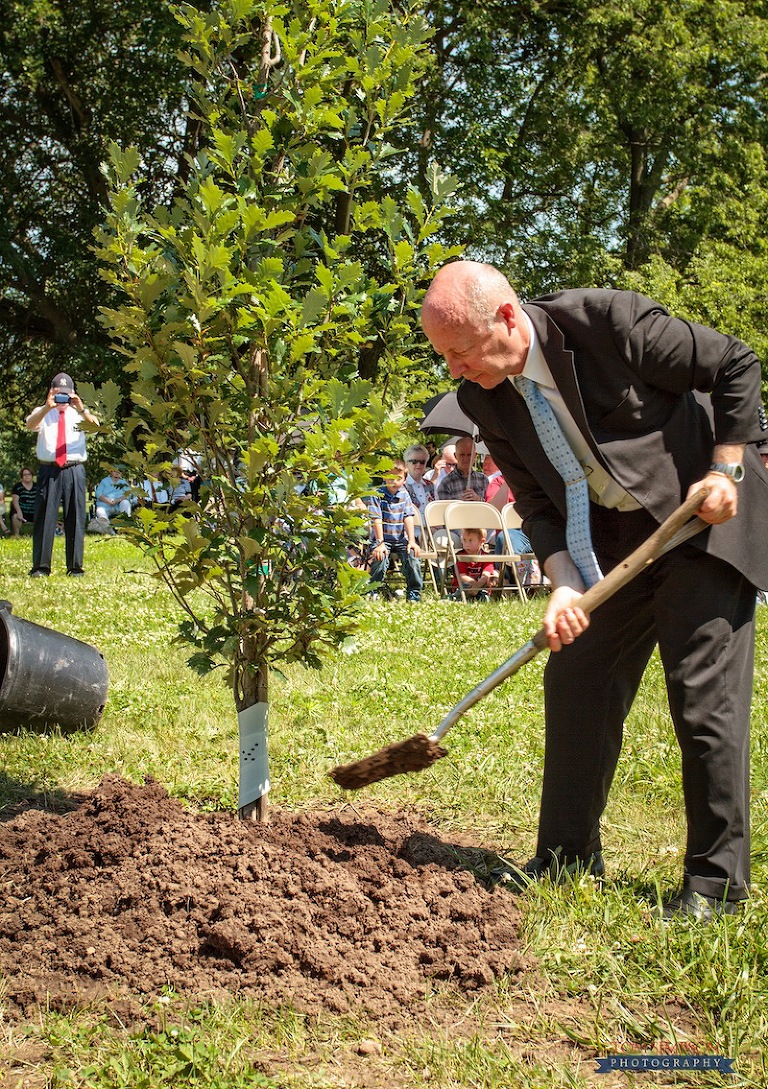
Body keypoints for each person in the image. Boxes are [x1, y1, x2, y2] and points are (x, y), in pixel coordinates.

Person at [421, 259, 768, 922]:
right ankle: (566, 855)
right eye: (445, 356)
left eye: (459, 352)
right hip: (611, 547)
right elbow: (536, 502)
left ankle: (716, 885)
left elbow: (734, 363)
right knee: (576, 675)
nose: (454, 370)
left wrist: (728, 469)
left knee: (702, 695)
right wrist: (561, 585)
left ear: (506, 317)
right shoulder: (482, 399)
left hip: (697, 520)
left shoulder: (606, 322)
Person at [26, 373, 99, 577]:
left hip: (74, 468)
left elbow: (96, 427)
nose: (62, 399)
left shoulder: (79, 413)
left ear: (73, 394)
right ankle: (41, 567)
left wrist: (81, 408)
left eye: (66, 394)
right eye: (59, 394)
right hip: (49, 469)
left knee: (75, 517)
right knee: (45, 517)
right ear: (51, 392)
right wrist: (48, 407)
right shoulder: (42, 412)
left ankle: (75, 568)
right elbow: (30, 424)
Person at [366, 459, 423, 602]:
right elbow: (376, 519)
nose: (394, 481)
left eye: (399, 478)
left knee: (413, 555)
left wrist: (411, 541)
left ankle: (414, 592)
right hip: (382, 538)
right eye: (391, 477)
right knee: (380, 556)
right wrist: (380, 543)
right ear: (384, 477)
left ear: (404, 479)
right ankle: (374, 589)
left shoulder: (404, 494)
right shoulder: (377, 494)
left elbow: (408, 517)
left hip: (400, 539)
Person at [449, 527, 496, 601]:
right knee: (464, 588)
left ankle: (483, 598)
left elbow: (486, 575)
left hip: (480, 586)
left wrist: (477, 586)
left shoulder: (486, 557)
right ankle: (456, 598)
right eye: (464, 540)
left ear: (482, 541)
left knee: (488, 587)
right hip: (463, 586)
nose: (466, 544)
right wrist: (474, 584)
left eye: (471, 541)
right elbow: (462, 576)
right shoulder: (460, 556)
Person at [436, 435, 488, 502]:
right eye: (462, 455)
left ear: (475, 456)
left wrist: (479, 499)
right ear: (455, 456)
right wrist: (460, 504)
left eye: (469, 455)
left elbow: (491, 506)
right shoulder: (446, 483)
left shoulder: (483, 479)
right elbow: (444, 510)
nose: (465, 459)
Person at [403, 443, 435, 541]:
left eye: (422, 462)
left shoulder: (430, 485)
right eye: (414, 461)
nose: (418, 465)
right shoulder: (401, 486)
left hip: (431, 530)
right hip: (407, 531)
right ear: (406, 463)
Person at [10, 468, 37, 536]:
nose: (27, 476)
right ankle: (16, 534)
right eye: (24, 475)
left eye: (29, 474)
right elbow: (15, 501)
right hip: (22, 511)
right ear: (22, 476)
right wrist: (19, 511)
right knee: (15, 516)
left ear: (32, 476)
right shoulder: (17, 486)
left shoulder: (37, 486)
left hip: (34, 511)